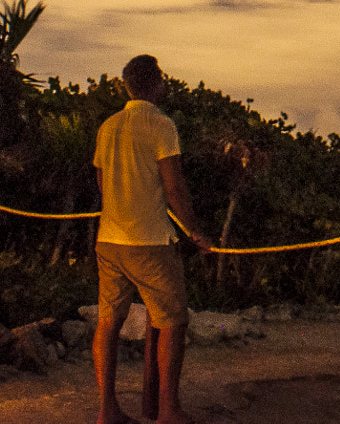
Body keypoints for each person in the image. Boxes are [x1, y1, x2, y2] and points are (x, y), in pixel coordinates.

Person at [93, 54, 214, 424]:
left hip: (110, 240)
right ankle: (168, 410)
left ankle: (107, 409)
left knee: (108, 322)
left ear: (128, 85)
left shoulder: (107, 126)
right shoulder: (161, 125)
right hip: (149, 242)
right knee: (172, 321)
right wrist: (195, 230)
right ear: (156, 82)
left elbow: (101, 183)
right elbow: (175, 187)